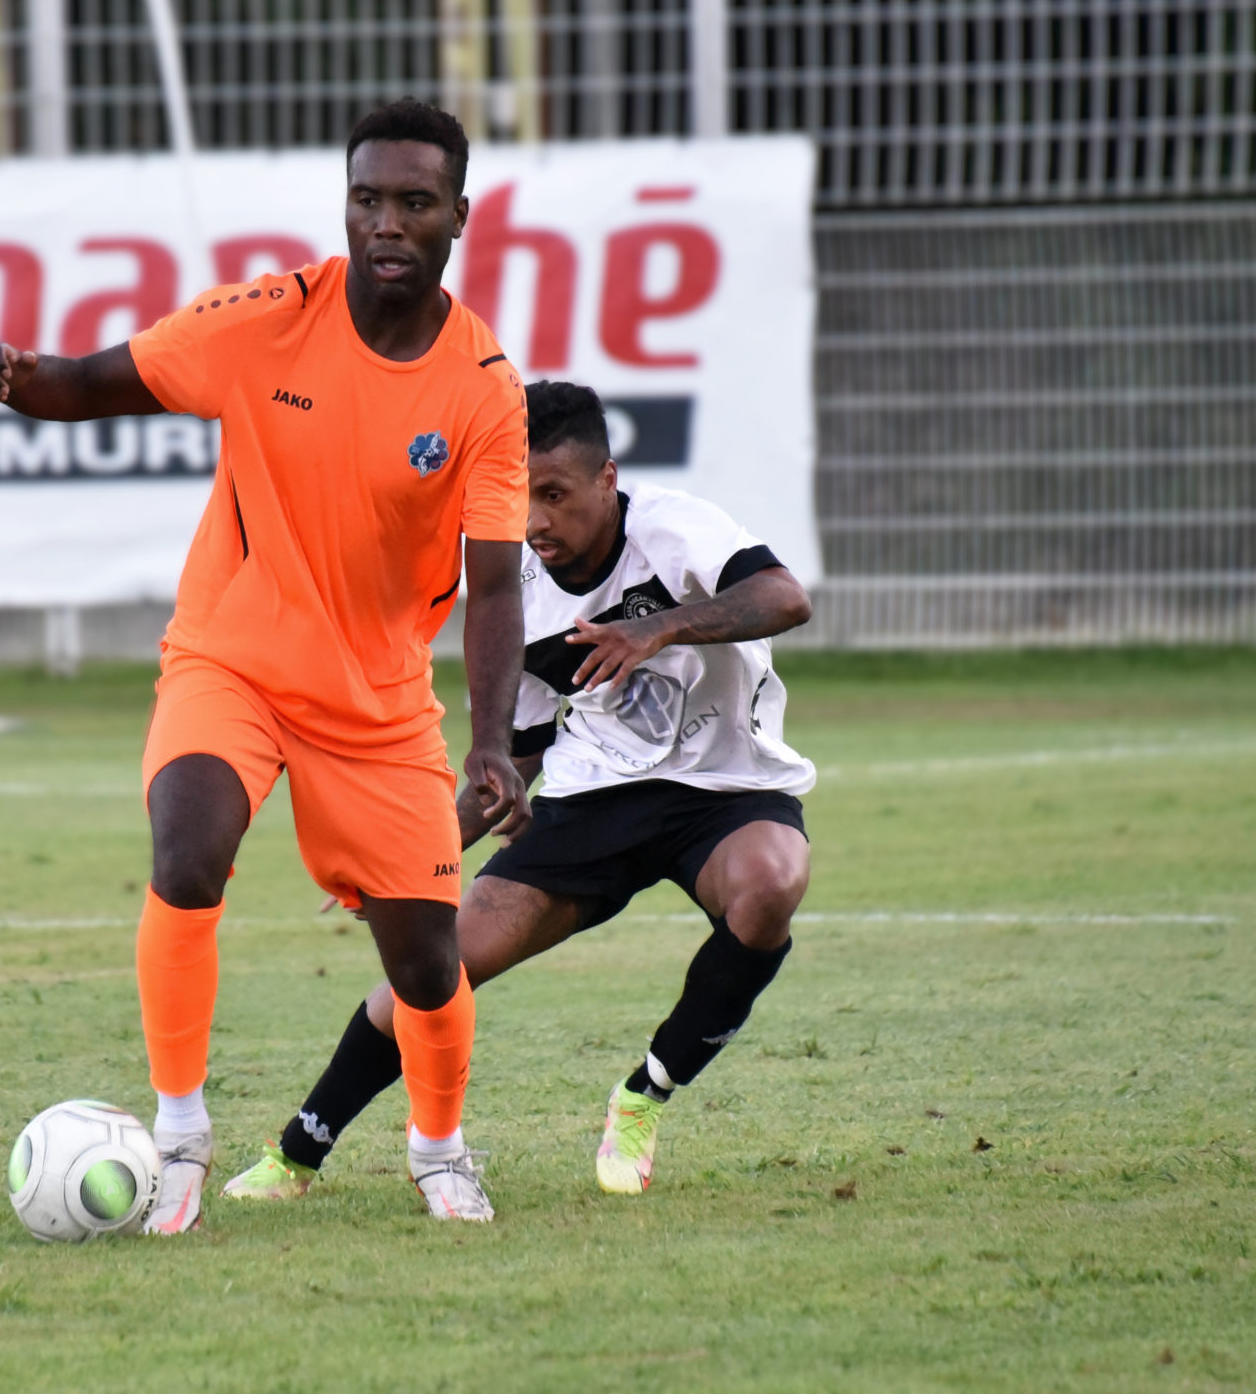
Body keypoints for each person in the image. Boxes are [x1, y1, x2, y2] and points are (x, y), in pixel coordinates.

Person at [0, 100, 529, 1229]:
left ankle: (439, 1150)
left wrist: (493, 743)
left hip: (375, 702)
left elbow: (498, 584)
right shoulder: (267, 320)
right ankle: (178, 1134)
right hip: (232, 659)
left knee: (426, 962)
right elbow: (94, 381)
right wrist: (16, 377)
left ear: (459, 217)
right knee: (188, 855)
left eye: (414, 202)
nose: (386, 222)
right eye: (367, 199)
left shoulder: (483, 388)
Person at [222, 380, 815, 1200]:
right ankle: (297, 1154)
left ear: (607, 479)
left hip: (727, 789)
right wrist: (411, 857)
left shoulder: (671, 528)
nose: (535, 520)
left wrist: (656, 627)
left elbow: (786, 597)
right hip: (594, 797)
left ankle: (644, 1095)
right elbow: (517, 759)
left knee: (770, 886)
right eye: (519, 498)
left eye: (555, 495)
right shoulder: (520, 596)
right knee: (435, 971)